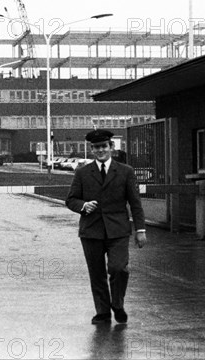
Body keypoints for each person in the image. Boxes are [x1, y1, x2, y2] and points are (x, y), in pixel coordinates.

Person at [66, 129, 147, 325]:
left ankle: (117, 304)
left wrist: (140, 230)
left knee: (118, 268)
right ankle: (102, 312)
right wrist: (83, 206)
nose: (100, 150)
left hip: (118, 230)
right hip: (91, 230)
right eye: (96, 147)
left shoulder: (126, 171)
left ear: (111, 147)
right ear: (91, 150)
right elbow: (71, 199)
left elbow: (135, 202)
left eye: (104, 146)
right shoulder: (83, 172)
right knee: (97, 273)